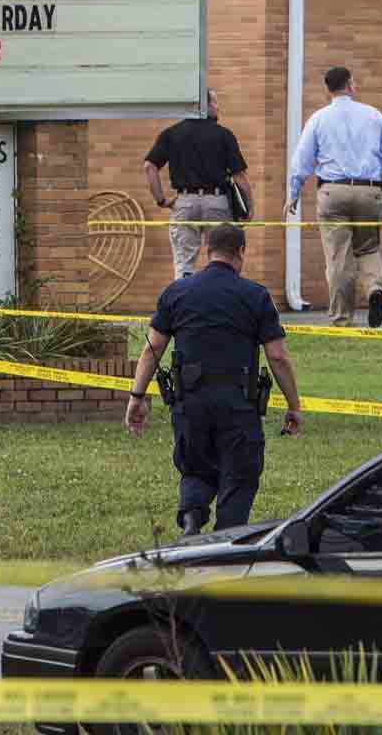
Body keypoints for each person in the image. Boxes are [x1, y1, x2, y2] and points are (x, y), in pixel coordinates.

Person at [125, 223, 302, 536]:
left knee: (195, 468)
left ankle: (192, 518)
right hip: (237, 405)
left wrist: (136, 397)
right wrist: (293, 405)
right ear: (241, 252)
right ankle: (226, 538)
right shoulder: (255, 296)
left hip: (190, 402)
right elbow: (277, 356)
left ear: (207, 251)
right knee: (239, 475)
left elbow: (151, 350)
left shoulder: (177, 292)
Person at [287, 66, 382, 328]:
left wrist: (293, 194)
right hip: (369, 191)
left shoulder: (318, 119)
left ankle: (342, 318)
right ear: (350, 85)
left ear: (328, 89)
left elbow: (301, 161)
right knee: (369, 247)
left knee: (339, 256)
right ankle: (374, 287)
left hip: (333, 192)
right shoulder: (373, 115)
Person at [144, 88, 253, 279]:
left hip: (185, 202)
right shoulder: (224, 135)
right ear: (204, 105)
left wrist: (162, 200)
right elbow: (239, 176)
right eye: (214, 102)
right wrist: (249, 206)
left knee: (184, 264)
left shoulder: (171, 134)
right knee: (223, 261)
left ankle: (184, 297)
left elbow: (149, 167)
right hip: (217, 202)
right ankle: (219, 296)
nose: (218, 107)